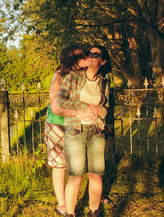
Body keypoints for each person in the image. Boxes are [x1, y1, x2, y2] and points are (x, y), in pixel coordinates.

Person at [57, 45, 111, 217]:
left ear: (102, 61)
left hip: (96, 132)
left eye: (95, 55)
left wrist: (98, 109)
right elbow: (61, 101)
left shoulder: (104, 83)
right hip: (75, 131)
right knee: (76, 177)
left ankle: (93, 211)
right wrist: (82, 107)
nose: (90, 56)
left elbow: (106, 109)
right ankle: (70, 214)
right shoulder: (73, 77)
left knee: (96, 175)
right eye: (88, 53)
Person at [45, 44, 92, 216]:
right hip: (57, 125)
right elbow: (56, 107)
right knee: (60, 166)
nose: (86, 58)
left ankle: (92, 196)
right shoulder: (59, 76)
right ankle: (62, 205)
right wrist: (77, 112)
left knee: (79, 164)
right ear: (72, 60)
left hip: (75, 123)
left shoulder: (81, 74)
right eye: (82, 56)